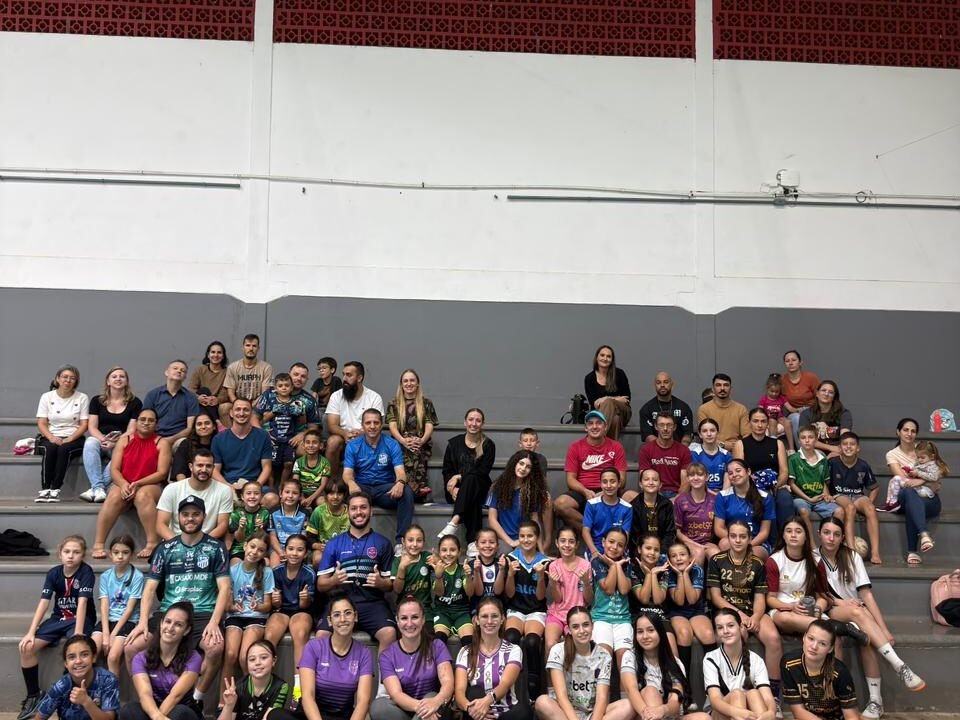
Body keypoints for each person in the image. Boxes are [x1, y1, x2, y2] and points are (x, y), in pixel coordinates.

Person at [124, 496, 232, 709]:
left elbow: (225, 588)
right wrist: (142, 621)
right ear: (178, 517)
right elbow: (150, 588)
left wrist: (214, 622)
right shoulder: (165, 549)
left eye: (195, 514)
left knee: (215, 647)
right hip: (169, 612)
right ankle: (150, 699)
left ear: (204, 517)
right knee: (130, 648)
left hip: (203, 613)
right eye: (185, 514)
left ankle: (195, 699)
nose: (190, 519)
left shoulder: (216, 548)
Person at [815, 517, 925, 719]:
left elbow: (866, 595)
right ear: (819, 534)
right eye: (826, 533)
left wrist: (883, 630)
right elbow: (818, 595)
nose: (831, 538)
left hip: (856, 611)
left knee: (866, 638)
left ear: (842, 537)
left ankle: (876, 701)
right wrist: (842, 603)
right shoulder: (813, 558)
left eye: (836, 534)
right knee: (857, 612)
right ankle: (899, 665)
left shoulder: (852, 556)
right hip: (830, 610)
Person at [17, 534, 96, 720]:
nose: (71, 556)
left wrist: (78, 633)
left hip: (80, 619)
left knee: (75, 649)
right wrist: (30, 632)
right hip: (58, 618)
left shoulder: (86, 572)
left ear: (83, 555)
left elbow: (83, 603)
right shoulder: (53, 573)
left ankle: (70, 695)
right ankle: (34, 695)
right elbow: (44, 603)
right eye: (67, 551)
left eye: (76, 552)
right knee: (27, 647)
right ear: (60, 553)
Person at [706, 520, 782, 708]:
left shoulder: (757, 563)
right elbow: (716, 597)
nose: (738, 540)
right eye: (733, 536)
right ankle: (733, 691)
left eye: (742, 536)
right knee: (739, 633)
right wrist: (740, 615)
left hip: (752, 610)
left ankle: (773, 696)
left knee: (773, 638)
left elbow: (760, 598)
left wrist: (755, 617)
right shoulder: (717, 560)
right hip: (727, 611)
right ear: (728, 538)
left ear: (749, 539)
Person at [315, 491, 397, 653]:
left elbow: (390, 585)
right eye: (354, 508)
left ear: (371, 511)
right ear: (348, 512)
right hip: (340, 602)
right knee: (322, 635)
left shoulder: (383, 543)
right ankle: (330, 671)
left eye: (363, 507)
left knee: (389, 633)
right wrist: (333, 581)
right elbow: (320, 585)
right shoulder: (334, 543)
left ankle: (383, 672)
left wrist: (381, 583)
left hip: (372, 603)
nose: (359, 512)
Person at [92, 408, 171, 560]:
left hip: (151, 484)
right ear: (136, 422)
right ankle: (99, 544)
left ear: (156, 424)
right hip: (125, 482)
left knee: (143, 495)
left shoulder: (162, 443)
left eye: (151, 420)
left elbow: (162, 473)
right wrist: (123, 484)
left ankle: (152, 543)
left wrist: (138, 483)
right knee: (114, 497)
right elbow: (114, 469)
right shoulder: (124, 440)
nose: (146, 423)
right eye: (142, 419)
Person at [371, 596, 455, 720]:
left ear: (423, 619)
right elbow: (396, 694)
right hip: (406, 710)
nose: (409, 623)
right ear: (397, 621)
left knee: (431, 695)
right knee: (378, 707)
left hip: (435, 707)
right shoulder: (387, 655)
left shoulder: (437, 646)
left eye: (415, 617)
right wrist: (422, 708)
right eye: (404, 618)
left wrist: (436, 701)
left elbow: (448, 683)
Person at [535, 607, 627, 720]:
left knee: (627, 705)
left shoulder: (604, 656)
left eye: (586, 625)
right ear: (569, 630)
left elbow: (602, 698)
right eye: (575, 627)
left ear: (592, 626)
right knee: (542, 702)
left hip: (592, 713)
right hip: (564, 713)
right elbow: (561, 696)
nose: (582, 631)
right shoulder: (558, 651)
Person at [342, 408, 413, 549]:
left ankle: (401, 543)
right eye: (368, 423)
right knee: (342, 490)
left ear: (381, 425)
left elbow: (400, 471)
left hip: (385, 490)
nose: (372, 426)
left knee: (406, 492)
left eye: (376, 422)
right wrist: (351, 483)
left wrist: (400, 482)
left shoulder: (392, 444)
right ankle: (348, 540)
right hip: (362, 489)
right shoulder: (353, 445)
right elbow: (347, 473)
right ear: (362, 425)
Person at [297, 594, 374, 720]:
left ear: (355, 616)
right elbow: (307, 696)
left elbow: (363, 702)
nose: (342, 619)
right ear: (329, 621)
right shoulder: (313, 647)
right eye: (337, 615)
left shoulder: (364, 653)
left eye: (348, 613)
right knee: (276, 715)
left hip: (342, 716)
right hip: (312, 715)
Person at [122, 602, 203, 720]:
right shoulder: (141, 658)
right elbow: (145, 694)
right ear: (161, 624)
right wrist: (156, 716)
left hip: (181, 710)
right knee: (129, 710)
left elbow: (175, 696)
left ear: (186, 630)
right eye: (168, 621)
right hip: (153, 709)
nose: (170, 628)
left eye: (178, 625)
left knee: (179, 712)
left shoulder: (193, 658)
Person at [454, 597, 531, 720]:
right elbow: (459, 691)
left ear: (502, 619)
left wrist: (487, 701)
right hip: (477, 714)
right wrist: (470, 709)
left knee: (524, 711)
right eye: (484, 616)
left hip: (506, 714)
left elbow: (505, 684)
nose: (489, 621)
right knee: (474, 692)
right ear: (476, 620)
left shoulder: (513, 650)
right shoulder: (465, 652)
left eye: (494, 616)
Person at [620, 612, 707, 720]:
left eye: (650, 630)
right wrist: (649, 714)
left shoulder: (675, 663)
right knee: (650, 692)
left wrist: (661, 710)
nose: (645, 636)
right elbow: (631, 690)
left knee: (703, 717)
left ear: (660, 632)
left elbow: (675, 702)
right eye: (640, 632)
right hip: (642, 715)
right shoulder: (630, 657)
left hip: (669, 715)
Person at [554, 410, 628, 535]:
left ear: (605, 427)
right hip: (584, 491)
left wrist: (606, 491)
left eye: (599, 423)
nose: (594, 426)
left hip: (610, 488)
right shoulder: (575, 447)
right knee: (560, 504)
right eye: (590, 423)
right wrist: (585, 491)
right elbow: (570, 479)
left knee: (634, 498)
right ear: (586, 428)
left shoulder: (616, 447)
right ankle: (596, 532)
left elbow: (622, 479)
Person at [221, 532, 274, 706]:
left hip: (256, 617)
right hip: (236, 616)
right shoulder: (232, 571)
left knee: (245, 656)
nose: (254, 552)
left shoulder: (266, 572)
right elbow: (226, 604)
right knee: (230, 655)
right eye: (252, 547)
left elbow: (268, 605)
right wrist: (232, 606)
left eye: (260, 550)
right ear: (244, 546)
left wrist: (257, 607)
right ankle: (223, 702)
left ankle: (249, 700)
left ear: (264, 554)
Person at [885, 417, 942, 566]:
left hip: (929, 499)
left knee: (913, 505)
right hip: (906, 496)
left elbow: (937, 473)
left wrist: (923, 481)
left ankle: (913, 550)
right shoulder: (892, 454)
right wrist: (926, 480)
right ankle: (924, 535)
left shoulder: (923, 449)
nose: (909, 434)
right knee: (909, 493)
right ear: (898, 432)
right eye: (906, 430)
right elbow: (904, 480)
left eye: (913, 431)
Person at [438, 408, 497, 552]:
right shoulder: (454, 443)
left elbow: (483, 471)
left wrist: (459, 476)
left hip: (480, 487)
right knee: (472, 499)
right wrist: (452, 489)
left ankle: (454, 521)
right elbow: (447, 470)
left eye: (478, 420)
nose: (474, 423)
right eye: (471, 419)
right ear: (465, 422)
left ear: (482, 424)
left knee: (471, 482)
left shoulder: (488, 445)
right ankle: (472, 543)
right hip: (455, 491)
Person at [504, 520, 550, 700]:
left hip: (536, 610)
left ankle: (534, 693)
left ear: (537, 537)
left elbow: (540, 597)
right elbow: (509, 594)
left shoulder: (544, 562)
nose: (526, 539)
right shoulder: (511, 559)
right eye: (522, 536)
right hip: (516, 609)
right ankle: (508, 688)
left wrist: (541, 577)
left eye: (530, 536)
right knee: (511, 638)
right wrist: (510, 575)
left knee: (531, 642)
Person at [703, 608, 777, 720]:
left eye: (730, 626)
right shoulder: (711, 658)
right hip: (720, 713)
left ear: (741, 627)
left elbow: (767, 697)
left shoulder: (756, 660)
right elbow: (715, 700)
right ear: (716, 632)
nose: (725, 631)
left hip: (749, 714)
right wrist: (738, 712)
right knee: (737, 694)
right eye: (720, 628)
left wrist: (771, 712)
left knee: (754, 693)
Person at [82, 366, 141, 503]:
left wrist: (115, 443)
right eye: (114, 376)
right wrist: (104, 440)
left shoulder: (135, 402)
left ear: (126, 381)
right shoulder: (97, 401)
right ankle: (99, 488)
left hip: (121, 441)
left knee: (125, 451)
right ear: (108, 381)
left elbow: (131, 430)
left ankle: (96, 488)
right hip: (100, 439)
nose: (118, 379)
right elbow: (92, 427)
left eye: (122, 376)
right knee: (90, 442)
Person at [264, 534, 315, 688]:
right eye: (291, 549)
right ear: (285, 551)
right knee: (270, 635)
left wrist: (304, 599)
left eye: (299, 550)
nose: (294, 553)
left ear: (305, 554)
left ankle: (299, 688)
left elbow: (305, 605)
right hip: (281, 611)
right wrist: (276, 600)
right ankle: (266, 684)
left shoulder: (309, 573)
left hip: (301, 611)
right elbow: (275, 605)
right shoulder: (276, 572)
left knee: (300, 634)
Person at [780, 621, 859, 720]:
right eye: (811, 639)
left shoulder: (840, 672)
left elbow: (851, 716)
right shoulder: (789, 664)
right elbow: (798, 711)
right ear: (804, 637)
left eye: (822, 643)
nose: (814, 647)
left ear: (830, 649)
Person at [35, 364, 89, 503]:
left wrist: (70, 438)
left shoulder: (82, 397)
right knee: (51, 448)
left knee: (64, 449)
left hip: (74, 437)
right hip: (51, 435)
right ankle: (45, 489)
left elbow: (84, 424)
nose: (68, 380)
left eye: (72, 378)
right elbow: (41, 423)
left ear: (76, 381)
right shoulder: (46, 397)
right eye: (65, 377)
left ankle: (55, 489)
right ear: (57, 379)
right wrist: (52, 437)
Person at [92, 535, 144, 677]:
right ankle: (92, 688)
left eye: (125, 552)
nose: (120, 556)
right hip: (108, 620)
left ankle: (112, 690)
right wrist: (106, 633)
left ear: (132, 555)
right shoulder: (105, 576)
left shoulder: (137, 576)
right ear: (110, 554)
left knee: (113, 657)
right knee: (91, 652)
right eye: (116, 552)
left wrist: (113, 634)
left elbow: (130, 609)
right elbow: (104, 605)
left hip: (127, 621)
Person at [733, 407, 790, 536]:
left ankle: (786, 537)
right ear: (749, 423)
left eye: (763, 421)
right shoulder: (740, 444)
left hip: (776, 485)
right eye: (756, 421)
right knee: (766, 498)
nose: (759, 425)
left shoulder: (777, 444)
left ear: (768, 423)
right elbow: (739, 472)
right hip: (751, 487)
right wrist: (759, 487)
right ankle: (772, 540)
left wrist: (775, 486)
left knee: (785, 498)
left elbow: (784, 471)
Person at [212, 398, 277, 509]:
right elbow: (214, 470)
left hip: (255, 484)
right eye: (238, 409)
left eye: (246, 410)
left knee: (272, 498)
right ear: (231, 413)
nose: (241, 413)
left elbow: (267, 467)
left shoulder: (262, 436)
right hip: (229, 485)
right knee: (216, 498)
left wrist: (254, 488)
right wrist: (228, 486)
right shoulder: (219, 439)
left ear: (251, 413)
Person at [157, 447, 234, 541]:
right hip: (175, 541)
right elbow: (161, 525)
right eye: (200, 465)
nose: (204, 470)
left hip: (207, 542)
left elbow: (223, 524)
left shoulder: (224, 490)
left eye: (208, 466)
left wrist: (200, 545)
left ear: (213, 468)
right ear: (191, 467)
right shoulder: (172, 489)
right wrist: (179, 545)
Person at [35, 635, 119, 720]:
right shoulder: (62, 685)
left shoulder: (108, 680)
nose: (78, 661)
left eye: (84, 655)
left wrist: (87, 702)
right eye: (72, 657)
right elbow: (39, 717)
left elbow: (110, 718)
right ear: (66, 663)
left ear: (93, 657)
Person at [827, 432, 881, 565]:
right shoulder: (833, 463)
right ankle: (851, 551)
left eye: (852, 444)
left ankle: (875, 552)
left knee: (871, 509)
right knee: (850, 507)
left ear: (858, 448)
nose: (848, 447)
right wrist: (827, 494)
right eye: (845, 444)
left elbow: (875, 487)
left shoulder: (863, 465)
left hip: (858, 496)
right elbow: (823, 481)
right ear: (840, 448)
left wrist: (869, 502)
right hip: (840, 495)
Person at [665, 540, 716, 677]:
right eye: (674, 556)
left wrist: (686, 574)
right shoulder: (668, 573)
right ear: (669, 560)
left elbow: (693, 599)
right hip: (677, 612)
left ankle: (714, 679)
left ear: (690, 558)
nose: (678, 558)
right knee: (684, 633)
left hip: (696, 611)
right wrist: (680, 575)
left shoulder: (697, 570)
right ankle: (684, 679)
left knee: (708, 634)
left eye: (682, 554)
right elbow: (679, 601)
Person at [324, 360, 384, 477]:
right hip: (343, 437)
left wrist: (361, 433)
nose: (344, 379)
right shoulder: (336, 396)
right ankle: (332, 482)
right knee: (333, 442)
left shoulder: (374, 398)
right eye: (343, 374)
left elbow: (378, 425)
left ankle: (366, 482)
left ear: (359, 378)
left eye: (349, 375)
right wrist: (345, 434)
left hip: (366, 436)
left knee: (373, 440)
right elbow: (332, 425)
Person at [386, 368, 439, 502]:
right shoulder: (393, 404)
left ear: (417, 383)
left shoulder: (426, 403)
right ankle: (417, 489)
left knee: (415, 448)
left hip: (421, 441)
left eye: (412, 380)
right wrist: (403, 441)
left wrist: (421, 440)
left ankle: (410, 490)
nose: (409, 384)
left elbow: (429, 425)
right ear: (401, 384)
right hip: (399, 441)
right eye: (405, 381)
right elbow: (392, 426)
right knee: (406, 450)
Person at [590, 528, 636, 675]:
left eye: (620, 545)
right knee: (603, 656)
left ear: (624, 548)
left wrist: (616, 566)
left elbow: (624, 589)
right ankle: (602, 691)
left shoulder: (627, 563)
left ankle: (626, 690)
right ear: (603, 542)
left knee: (625, 658)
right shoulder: (596, 561)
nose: (614, 547)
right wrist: (613, 566)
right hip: (601, 618)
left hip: (623, 620)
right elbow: (608, 588)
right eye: (611, 542)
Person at [488, 450, 553, 553]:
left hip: (524, 539)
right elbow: (492, 520)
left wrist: (541, 551)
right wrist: (510, 542)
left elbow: (535, 522)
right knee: (507, 553)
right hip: (503, 539)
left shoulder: (533, 491)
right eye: (521, 463)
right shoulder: (498, 486)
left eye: (528, 467)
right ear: (514, 463)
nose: (523, 469)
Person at [544, 527, 594, 653]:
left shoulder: (585, 565)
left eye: (571, 541)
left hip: (578, 614)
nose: (567, 545)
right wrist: (553, 583)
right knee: (550, 645)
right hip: (557, 613)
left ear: (577, 544)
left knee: (574, 647)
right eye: (563, 541)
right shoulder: (554, 565)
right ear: (557, 543)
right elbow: (558, 599)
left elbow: (589, 600)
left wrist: (586, 582)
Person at [252, 372, 307, 485]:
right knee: (271, 465)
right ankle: (271, 487)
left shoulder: (297, 403)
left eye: (287, 385)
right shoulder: (272, 402)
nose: (284, 388)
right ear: (276, 388)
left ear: (291, 387)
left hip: (289, 439)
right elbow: (263, 420)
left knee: (288, 464)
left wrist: (299, 412)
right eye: (280, 386)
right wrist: (273, 412)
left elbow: (302, 422)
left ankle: (283, 485)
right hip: (274, 438)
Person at [714, 460, 775, 560]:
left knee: (754, 554)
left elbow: (764, 532)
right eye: (730, 473)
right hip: (732, 540)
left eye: (738, 471)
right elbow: (719, 529)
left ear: (748, 472)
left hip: (756, 542)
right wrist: (737, 540)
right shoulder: (722, 496)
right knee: (724, 543)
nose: (734, 475)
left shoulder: (765, 497)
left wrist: (747, 544)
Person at [788, 425, 839, 538]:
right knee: (804, 511)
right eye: (803, 437)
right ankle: (810, 542)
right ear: (799, 440)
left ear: (816, 439)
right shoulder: (793, 459)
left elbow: (824, 482)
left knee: (839, 511)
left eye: (810, 437)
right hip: (801, 498)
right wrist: (809, 499)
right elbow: (792, 484)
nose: (807, 440)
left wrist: (827, 495)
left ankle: (832, 540)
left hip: (819, 498)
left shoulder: (822, 459)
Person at [218, 640, 289, 720]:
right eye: (252, 659)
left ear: (274, 660)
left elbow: (271, 717)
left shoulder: (281, 687)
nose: (257, 663)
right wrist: (229, 706)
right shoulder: (239, 687)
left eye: (264, 657)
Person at [142, 360, 199, 448]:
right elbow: (145, 422)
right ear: (166, 373)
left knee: (184, 443)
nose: (179, 371)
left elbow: (189, 428)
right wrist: (156, 440)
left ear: (185, 377)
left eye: (183, 370)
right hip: (154, 438)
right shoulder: (153, 395)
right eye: (175, 368)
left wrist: (169, 440)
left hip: (177, 439)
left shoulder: (191, 398)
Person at [881, 438, 947, 512]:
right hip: (918, 487)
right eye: (918, 457)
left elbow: (933, 477)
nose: (919, 460)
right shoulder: (918, 463)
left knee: (908, 490)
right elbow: (913, 467)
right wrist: (908, 471)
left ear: (932, 456)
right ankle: (891, 502)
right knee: (896, 479)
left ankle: (896, 503)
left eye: (922, 458)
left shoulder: (933, 466)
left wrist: (918, 474)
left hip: (926, 490)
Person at [432, 534, 475, 647]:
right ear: (439, 552)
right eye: (444, 550)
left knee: (469, 641)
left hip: (461, 612)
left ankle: (467, 660)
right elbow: (439, 593)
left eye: (452, 550)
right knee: (439, 639)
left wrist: (468, 577)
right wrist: (438, 576)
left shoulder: (463, 570)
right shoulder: (436, 570)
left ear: (459, 552)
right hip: (442, 612)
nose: (448, 553)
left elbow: (470, 593)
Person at [673, 462, 719, 567]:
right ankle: (694, 579)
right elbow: (677, 531)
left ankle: (713, 579)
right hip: (687, 542)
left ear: (707, 477)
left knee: (716, 554)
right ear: (688, 478)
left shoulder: (715, 500)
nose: (696, 478)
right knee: (698, 553)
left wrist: (703, 546)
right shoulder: (680, 500)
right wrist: (695, 544)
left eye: (700, 474)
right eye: (692, 475)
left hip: (707, 542)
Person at [582, 468, 633, 559]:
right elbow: (585, 531)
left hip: (616, 549)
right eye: (605, 482)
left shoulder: (627, 508)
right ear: (600, 484)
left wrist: (618, 554)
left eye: (612, 481)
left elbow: (625, 535)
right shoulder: (591, 504)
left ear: (619, 483)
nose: (608, 485)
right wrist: (594, 552)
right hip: (596, 549)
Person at [584, 345, 632, 439]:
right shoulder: (589, 378)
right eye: (602, 355)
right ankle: (608, 447)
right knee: (615, 419)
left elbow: (626, 399)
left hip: (623, 411)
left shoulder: (619, 374)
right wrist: (616, 398)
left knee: (608, 402)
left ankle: (592, 439)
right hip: (604, 413)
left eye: (608, 356)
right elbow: (595, 404)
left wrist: (607, 399)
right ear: (597, 357)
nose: (605, 358)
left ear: (612, 360)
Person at [638, 414, 692, 497]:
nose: (665, 428)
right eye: (661, 425)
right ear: (656, 427)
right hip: (654, 493)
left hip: (675, 494)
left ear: (674, 427)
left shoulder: (683, 450)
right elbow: (645, 479)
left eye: (669, 425)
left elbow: (685, 483)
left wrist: (676, 500)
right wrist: (658, 501)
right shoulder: (646, 449)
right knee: (629, 495)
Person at [798, 381, 851, 458]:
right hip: (814, 449)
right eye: (823, 390)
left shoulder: (843, 413)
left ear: (834, 396)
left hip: (838, 450)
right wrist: (830, 448)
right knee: (817, 457)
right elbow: (806, 439)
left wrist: (836, 451)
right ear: (817, 394)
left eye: (831, 392)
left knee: (835, 459)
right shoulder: (806, 414)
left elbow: (845, 437)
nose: (826, 394)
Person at [638, 371, 694, 444]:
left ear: (672, 384)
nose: (662, 385)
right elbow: (647, 435)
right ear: (655, 386)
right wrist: (663, 447)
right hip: (656, 448)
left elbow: (688, 434)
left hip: (679, 447)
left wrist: (682, 447)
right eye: (658, 382)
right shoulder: (646, 409)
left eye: (666, 382)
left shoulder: (684, 407)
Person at [696, 374, 750, 449]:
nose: (722, 388)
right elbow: (704, 435)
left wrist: (738, 446)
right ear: (713, 388)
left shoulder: (741, 409)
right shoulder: (704, 409)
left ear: (731, 388)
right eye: (718, 385)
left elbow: (747, 435)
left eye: (726, 385)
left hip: (736, 449)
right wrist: (723, 445)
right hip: (712, 450)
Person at [629, 469, 677, 553]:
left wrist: (662, 550)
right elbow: (634, 535)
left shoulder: (667, 505)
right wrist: (644, 550)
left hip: (662, 550)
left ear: (660, 484)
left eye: (655, 480)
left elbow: (670, 533)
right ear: (641, 484)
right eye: (646, 479)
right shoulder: (634, 505)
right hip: (641, 551)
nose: (651, 482)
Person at [304, 478, 349, 565]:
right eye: (331, 493)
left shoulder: (350, 511)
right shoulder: (319, 511)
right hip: (323, 548)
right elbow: (310, 538)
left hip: (346, 548)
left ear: (344, 495)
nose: (335, 497)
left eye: (339, 494)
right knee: (318, 559)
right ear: (326, 495)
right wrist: (318, 546)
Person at [781, 350, 820, 446]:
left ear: (800, 362)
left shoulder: (810, 377)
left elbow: (820, 396)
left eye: (793, 360)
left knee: (803, 416)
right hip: (793, 412)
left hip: (812, 411)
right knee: (796, 418)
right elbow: (779, 400)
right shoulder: (782, 380)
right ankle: (801, 450)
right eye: (787, 361)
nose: (790, 363)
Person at [223, 334, 273, 408]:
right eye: (248, 345)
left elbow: (265, 393)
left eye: (254, 346)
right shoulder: (232, 367)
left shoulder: (266, 367)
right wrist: (239, 405)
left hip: (258, 404)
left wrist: (251, 406)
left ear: (258, 348)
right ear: (242, 347)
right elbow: (230, 393)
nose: (251, 348)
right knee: (224, 407)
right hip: (238, 403)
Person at [189, 341, 231, 427]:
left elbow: (225, 391)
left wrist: (217, 399)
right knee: (204, 390)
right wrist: (198, 398)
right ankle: (217, 421)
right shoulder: (199, 370)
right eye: (213, 352)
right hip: (201, 403)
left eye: (219, 352)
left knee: (205, 392)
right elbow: (191, 388)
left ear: (223, 356)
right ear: (208, 355)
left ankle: (216, 421)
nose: (216, 355)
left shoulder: (227, 372)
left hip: (217, 404)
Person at [268, 479, 307, 566]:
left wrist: (293, 551)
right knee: (275, 566)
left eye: (295, 493)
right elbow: (272, 536)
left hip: (297, 548)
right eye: (287, 492)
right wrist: (281, 552)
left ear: (300, 496)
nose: (290, 496)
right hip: (278, 547)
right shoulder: (273, 512)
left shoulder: (304, 514)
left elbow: (304, 536)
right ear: (280, 494)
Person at [393, 525, 433, 607]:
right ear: (403, 541)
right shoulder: (398, 561)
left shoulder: (427, 557)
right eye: (410, 540)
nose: (415, 544)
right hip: (405, 607)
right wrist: (401, 568)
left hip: (425, 607)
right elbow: (397, 590)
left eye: (419, 540)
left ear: (424, 542)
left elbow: (442, 566)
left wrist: (437, 560)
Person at [688, 418, 731, 493]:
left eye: (712, 430)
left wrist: (722, 496)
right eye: (705, 431)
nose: (709, 434)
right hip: (702, 493)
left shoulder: (726, 455)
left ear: (717, 433)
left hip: (722, 494)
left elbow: (728, 481)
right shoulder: (695, 454)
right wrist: (714, 495)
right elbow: (696, 481)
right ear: (700, 434)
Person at [171, 413, 218, 481]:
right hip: (189, 483)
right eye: (199, 424)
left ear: (214, 426)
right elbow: (179, 472)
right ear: (195, 428)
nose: (203, 427)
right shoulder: (186, 444)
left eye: (207, 423)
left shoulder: (219, 444)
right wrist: (185, 487)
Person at [291, 429, 330, 509]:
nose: (311, 445)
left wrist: (310, 499)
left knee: (322, 502)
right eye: (308, 442)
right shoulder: (298, 462)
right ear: (303, 445)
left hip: (318, 494)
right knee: (291, 496)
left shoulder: (325, 463)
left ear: (321, 445)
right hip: (301, 493)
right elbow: (296, 482)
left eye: (314, 442)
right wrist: (302, 498)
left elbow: (323, 485)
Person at [757, 374, 794, 453]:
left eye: (776, 392)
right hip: (769, 418)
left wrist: (799, 410)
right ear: (767, 389)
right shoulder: (764, 399)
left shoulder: (781, 398)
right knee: (772, 421)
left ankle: (792, 448)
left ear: (780, 391)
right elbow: (759, 411)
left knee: (787, 422)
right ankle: (773, 445)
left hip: (779, 417)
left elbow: (790, 408)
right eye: (772, 391)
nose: (774, 394)